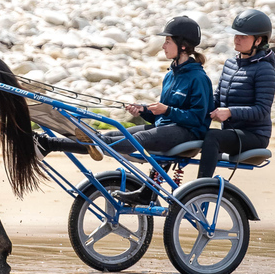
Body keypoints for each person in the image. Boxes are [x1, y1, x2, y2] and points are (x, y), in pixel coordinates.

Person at [36, 16, 214, 201]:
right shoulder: (171, 76)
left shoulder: (198, 78)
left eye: (168, 41)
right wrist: (145, 111)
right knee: (113, 134)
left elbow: (197, 118)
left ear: (183, 46)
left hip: (189, 133)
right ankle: (49, 143)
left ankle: (51, 144)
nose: (163, 46)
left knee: (135, 139)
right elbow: (161, 119)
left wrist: (167, 110)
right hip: (168, 128)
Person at [197, 9, 275, 179]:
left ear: (259, 40)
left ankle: (200, 188)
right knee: (188, 130)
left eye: (243, 36)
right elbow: (218, 99)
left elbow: (262, 110)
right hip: (232, 132)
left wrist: (231, 112)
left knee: (212, 137)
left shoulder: (265, 70)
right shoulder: (230, 64)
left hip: (255, 136)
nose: (237, 39)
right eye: (236, 35)